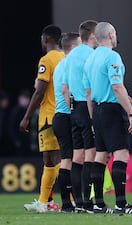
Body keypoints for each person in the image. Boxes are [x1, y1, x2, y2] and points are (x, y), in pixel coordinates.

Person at [83, 21, 132, 214]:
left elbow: (88, 93)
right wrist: (131, 113)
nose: (116, 37)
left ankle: (98, 204)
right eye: (115, 33)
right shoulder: (112, 56)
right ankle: (121, 204)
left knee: (101, 156)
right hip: (112, 110)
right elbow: (117, 87)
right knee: (121, 154)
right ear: (110, 34)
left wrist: (93, 119)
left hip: (98, 111)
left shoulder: (90, 60)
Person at [20, 25, 64, 212]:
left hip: (49, 115)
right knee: (61, 158)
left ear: (46, 39)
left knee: (51, 160)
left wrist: (26, 117)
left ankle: (46, 202)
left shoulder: (46, 60)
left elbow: (39, 92)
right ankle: (51, 202)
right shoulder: (65, 58)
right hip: (64, 113)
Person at [62, 20, 98, 213]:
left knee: (77, 157)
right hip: (87, 106)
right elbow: (91, 87)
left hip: (74, 109)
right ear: (93, 35)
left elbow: (65, 88)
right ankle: (88, 202)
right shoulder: (92, 56)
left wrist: (72, 110)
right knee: (91, 156)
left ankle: (78, 203)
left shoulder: (69, 56)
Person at [53, 32, 81, 212]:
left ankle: (66, 203)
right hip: (67, 116)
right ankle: (79, 201)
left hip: (59, 116)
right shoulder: (70, 64)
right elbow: (66, 90)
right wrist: (75, 111)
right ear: (73, 47)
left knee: (66, 159)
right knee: (75, 159)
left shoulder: (59, 66)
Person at [8, 89, 31, 156]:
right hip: (17, 141)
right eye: (24, 98)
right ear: (19, 99)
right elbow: (11, 127)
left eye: (27, 98)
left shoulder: (30, 110)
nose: (25, 101)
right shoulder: (15, 111)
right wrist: (15, 140)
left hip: (28, 142)